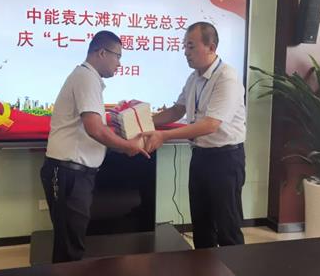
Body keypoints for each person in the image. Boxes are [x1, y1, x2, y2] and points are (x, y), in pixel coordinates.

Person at [41, 31, 149, 263]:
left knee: (70, 240)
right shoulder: (86, 78)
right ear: (101, 53)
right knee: (70, 246)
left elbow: (94, 126)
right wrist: (127, 146)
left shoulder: (87, 77)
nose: (119, 64)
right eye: (117, 56)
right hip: (69, 173)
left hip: (73, 174)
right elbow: (95, 128)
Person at [143, 21, 247, 248]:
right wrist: (143, 123)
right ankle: (205, 269)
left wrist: (163, 136)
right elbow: (176, 111)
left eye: (191, 46)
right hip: (201, 156)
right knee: (201, 223)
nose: (185, 52)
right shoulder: (194, 78)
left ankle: (235, 271)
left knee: (227, 226)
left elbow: (210, 124)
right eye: (184, 46)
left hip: (225, 159)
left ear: (211, 47)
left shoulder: (226, 78)